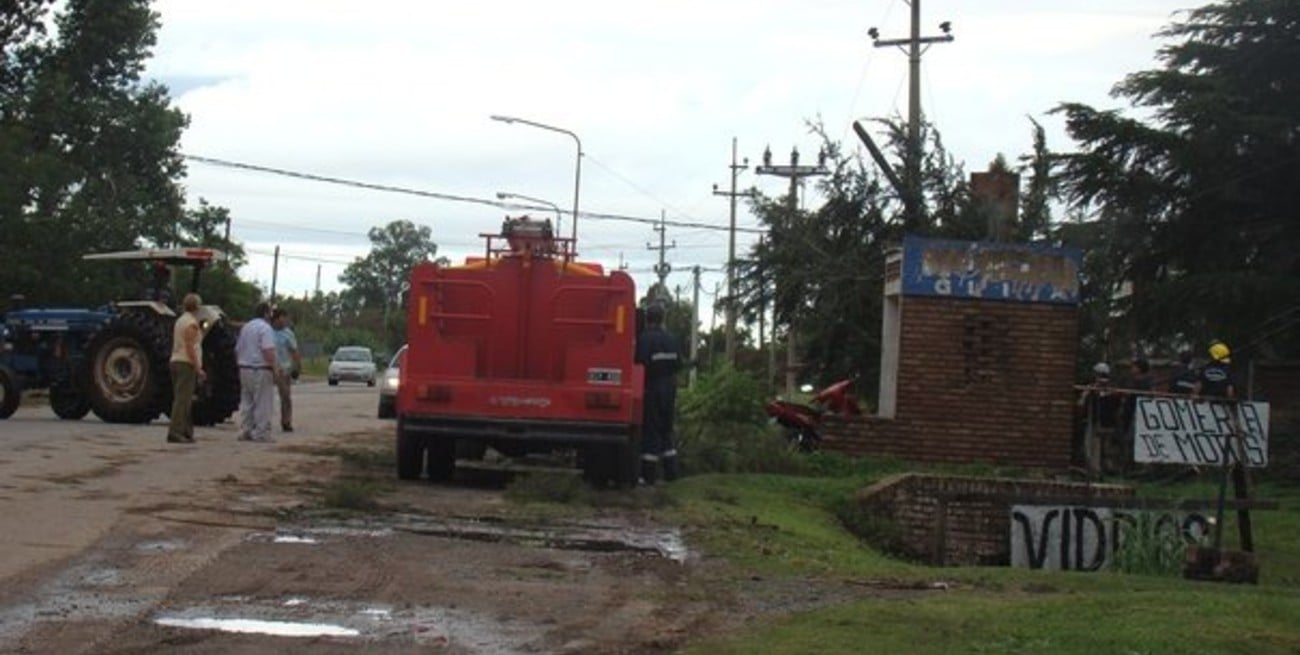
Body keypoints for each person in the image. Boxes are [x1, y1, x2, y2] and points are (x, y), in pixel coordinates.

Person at [635, 302, 682, 484]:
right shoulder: (671, 339)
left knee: (651, 429)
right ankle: (671, 473)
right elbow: (679, 363)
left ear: (647, 319)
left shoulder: (644, 339)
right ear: (663, 318)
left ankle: (648, 476)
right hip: (670, 387)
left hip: (652, 387)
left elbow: (639, 363)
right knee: (667, 428)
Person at [235, 302, 280, 442]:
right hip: (260, 368)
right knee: (263, 402)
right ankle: (261, 432)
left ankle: (246, 430)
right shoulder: (265, 328)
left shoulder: (246, 327)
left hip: (244, 367)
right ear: (266, 313)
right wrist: (274, 368)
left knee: (247, 401)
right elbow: (268, 350)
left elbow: (237, 349)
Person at [166, 293, 205, 444]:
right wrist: (198, 368)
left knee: (185, 398)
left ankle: (186, 431)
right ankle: (175, 432)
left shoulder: (180, 320)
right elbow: (190, 347)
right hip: (185, 363)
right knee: (183, 400)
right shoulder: (191, 323)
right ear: (197, 307)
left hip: (176, 360)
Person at [272, 308, 302, 432]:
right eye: (283, 318)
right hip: (269, 367)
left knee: (285, 395)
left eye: (286, 318)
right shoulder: (267, 331)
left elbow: (294, 351)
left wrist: (297, 367)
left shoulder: (288, 333)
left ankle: (286, 421)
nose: (285, 321)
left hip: (284, 369)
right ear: (277, 318)